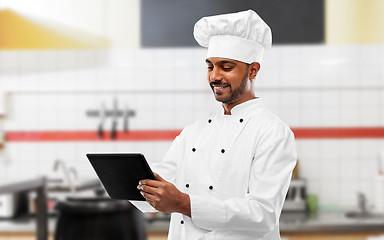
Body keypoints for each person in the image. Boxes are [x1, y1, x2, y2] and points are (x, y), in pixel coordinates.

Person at [133, 9, 297, 240]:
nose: (214, 77)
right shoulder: (194, 132)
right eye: (210, 66)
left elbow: (263, 214)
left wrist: (183, 203)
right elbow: (161, 180)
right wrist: (131, 181)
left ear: (253, 70)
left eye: (226, 67)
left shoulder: (272, 132)